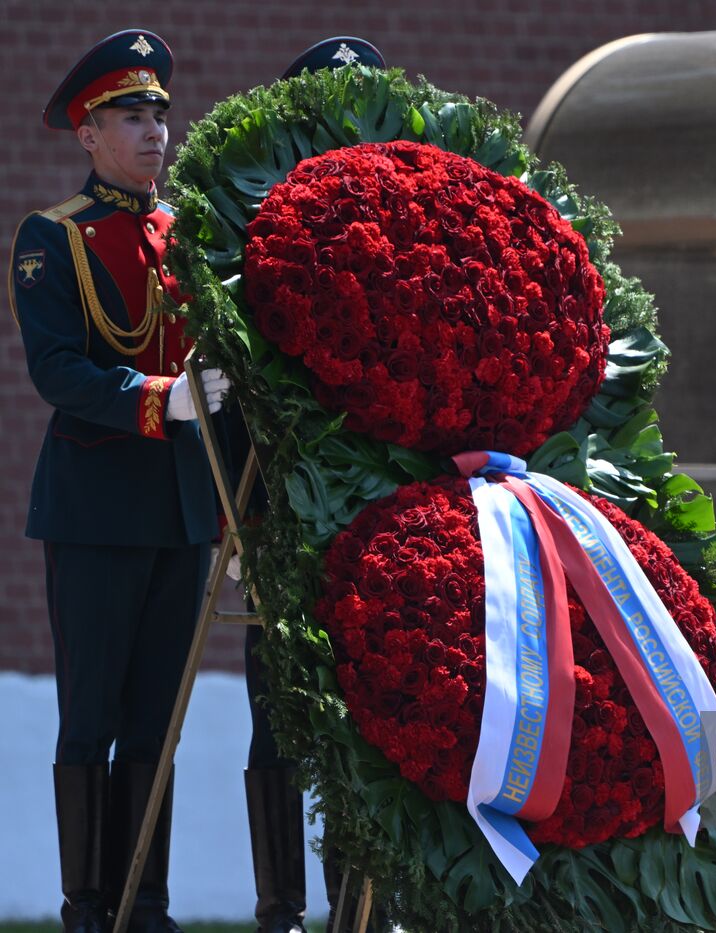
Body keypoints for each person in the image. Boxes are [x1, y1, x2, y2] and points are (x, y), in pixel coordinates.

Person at [9, 29, 230, 933]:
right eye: (129, 116)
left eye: (157, 116)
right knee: (90, 718)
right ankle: (85, 906)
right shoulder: (50, 238)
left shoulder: (187, 236)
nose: (152, 133)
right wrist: (161, 401)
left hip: (179, 510)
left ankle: (147, 903)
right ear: (87, 134)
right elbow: (58, 370)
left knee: (155, 723)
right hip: (97, 510)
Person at [234, 35, 389, 933]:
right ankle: (279, 908)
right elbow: (235, 391)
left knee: (366, 716)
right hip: (280, 515)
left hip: (374, 512)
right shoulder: (260, 228)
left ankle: (360, 908)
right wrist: (232, 519)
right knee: (278, 717)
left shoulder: (400, 226)